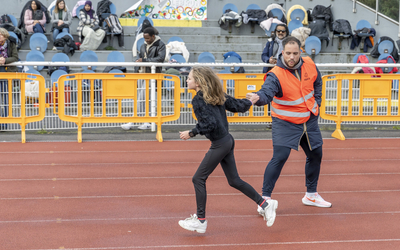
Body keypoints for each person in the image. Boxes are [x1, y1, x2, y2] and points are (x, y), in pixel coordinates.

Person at [177, 66, 278, 234]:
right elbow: (238, 105)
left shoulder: (199, 100)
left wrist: (191, 132)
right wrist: (251, 101)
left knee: (198, 179)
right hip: (227, 140)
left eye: (190, 78)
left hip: (220, 144)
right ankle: (265, 204)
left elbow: (210, 124)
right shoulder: (217, 95)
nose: (187, 80)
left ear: (199, 82)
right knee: (234, 180)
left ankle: (200, 221)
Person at [246, 36, 332, 213]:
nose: (291, 57)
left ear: (301, 52)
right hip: (285, 123)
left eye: (295, 53)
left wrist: (317, 102)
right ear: (282, 53)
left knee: (316, 155)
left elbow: (318, 82)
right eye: (288, 53)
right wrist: (259, 98)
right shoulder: (275, 74)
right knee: (280, 157)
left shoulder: (309, 63)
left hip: (309, 119)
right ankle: (265, 201)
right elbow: (267, 91)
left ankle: (311, 195)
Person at [121, 27, 166, 130]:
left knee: (141, 99)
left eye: (148, 38)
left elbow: (160, 59)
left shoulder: (160, 45)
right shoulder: (142, 45)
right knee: (147, 100)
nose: (146, 40)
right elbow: (140, 58)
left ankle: (133, 121)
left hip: (152, 75)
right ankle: (147, 121)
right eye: (145, 38)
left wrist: (144, 60)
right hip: (142, 75)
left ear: (153, 36)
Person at [0, 28, 19, 130]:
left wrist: (5, 60)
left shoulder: (11, 44)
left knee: (5, 98)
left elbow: (15, 57)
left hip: (7, 73)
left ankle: (5, 122)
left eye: (0, 34)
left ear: (5, 35)